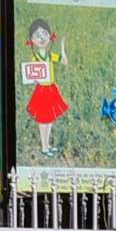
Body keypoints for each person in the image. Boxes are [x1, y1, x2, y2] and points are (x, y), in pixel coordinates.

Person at [23, 18, 69, 156]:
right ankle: (44, 147)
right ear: (32, 39)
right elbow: (31, 77)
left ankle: (47, 145)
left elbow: (64, 61)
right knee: (43, 120)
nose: (41, 38)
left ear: (49, 35)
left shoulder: (50, 55)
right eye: (37, 35)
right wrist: (35, 79)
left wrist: (62, 48)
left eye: (44, 34)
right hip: (42, 91)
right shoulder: (35, 58)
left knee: (49, 119)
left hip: (51, 89)